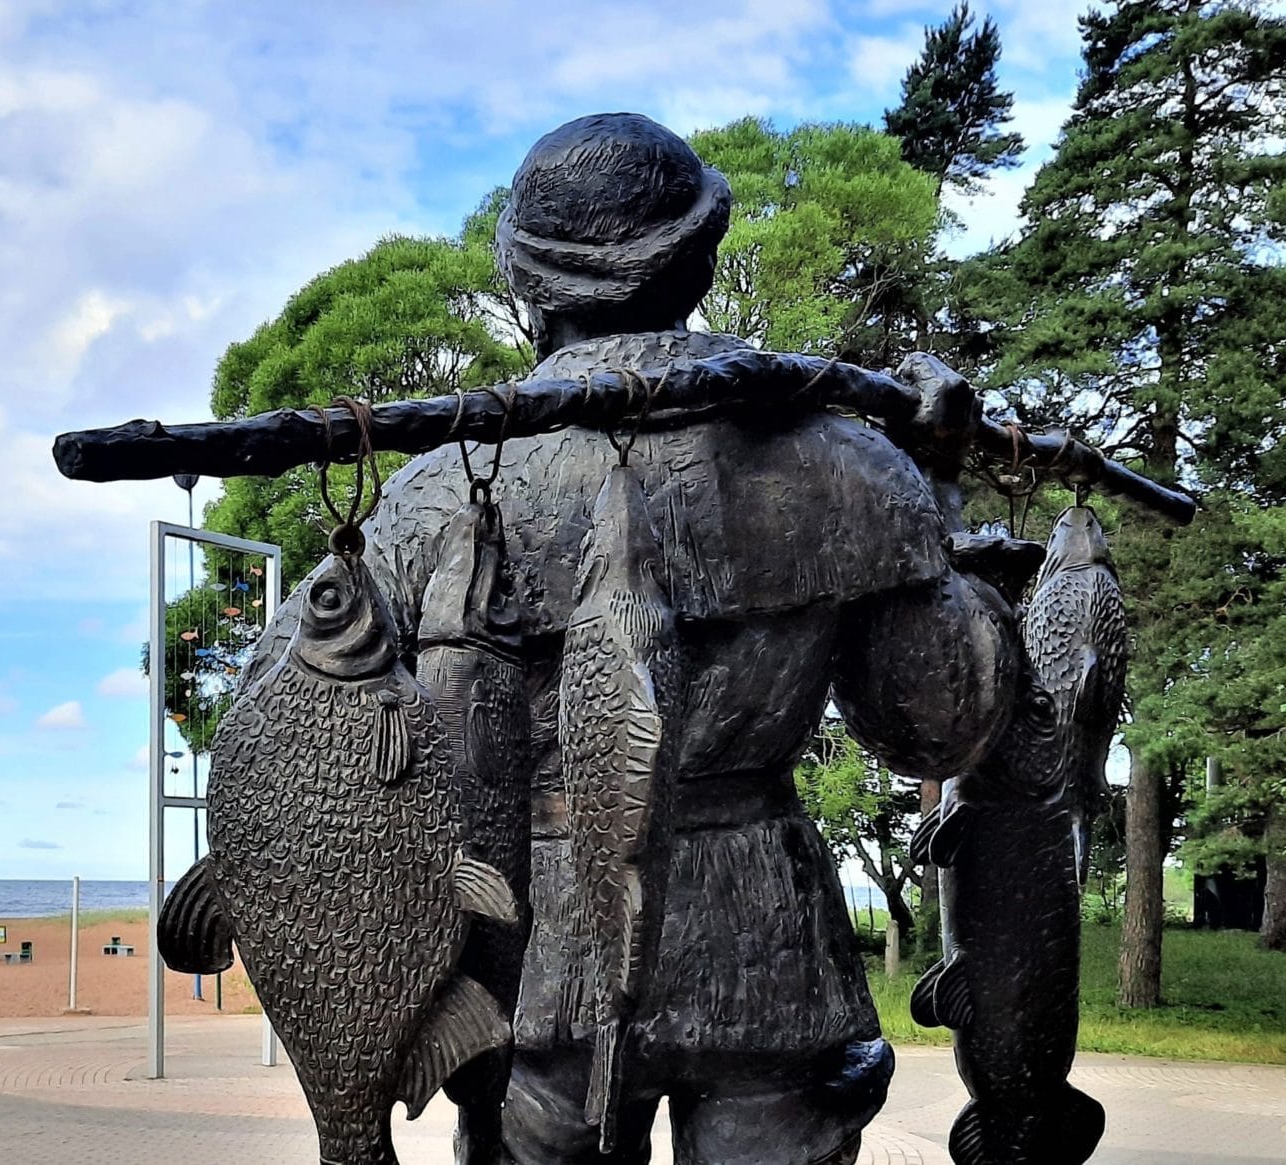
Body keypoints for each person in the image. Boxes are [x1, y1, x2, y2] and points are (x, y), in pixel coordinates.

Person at [296, 112, 1017, 1165]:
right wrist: (933, 495)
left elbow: (340, 760)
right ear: (701, 255)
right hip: (762, 939)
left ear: (524, 281)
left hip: (533, 941)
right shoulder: (848, 462)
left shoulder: (431, 491)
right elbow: (937, 729)